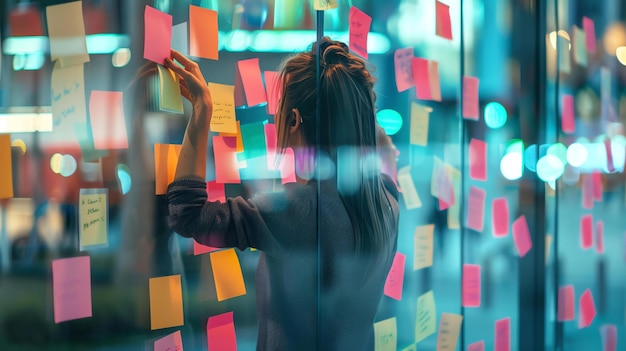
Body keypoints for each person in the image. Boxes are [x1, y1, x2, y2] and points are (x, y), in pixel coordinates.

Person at [165, 37, 399, 350]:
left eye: (281, 112)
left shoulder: (299, 209)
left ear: (294, 120)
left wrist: (202, 110)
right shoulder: (387, 202)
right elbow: (383, 151)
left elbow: (188, 214)